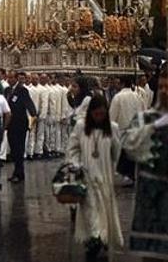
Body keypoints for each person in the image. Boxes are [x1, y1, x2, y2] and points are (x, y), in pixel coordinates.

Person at [67, 95, 123, 259]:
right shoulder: (80, 127)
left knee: (104, 211)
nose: (98, 117)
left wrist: (117, 171)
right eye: (96, 114)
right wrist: (75, 165)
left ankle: (102, 238)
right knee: (91, 211)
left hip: (105, 178)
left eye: (102, 114)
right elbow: (72, 149)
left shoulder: (112, 128)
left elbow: (117, 153)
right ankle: (95, 239)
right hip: (86, 177)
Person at [121, 69, 168, 259]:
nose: (164, 91)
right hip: (151, 201)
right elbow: (129, 145)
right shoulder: (145, 118)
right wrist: (155, 127)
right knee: (152, 254)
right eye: (162, 86)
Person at [4, 71, 36, 183]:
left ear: (17, 79)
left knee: (19, 149)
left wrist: (33, 117)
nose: (9, 79)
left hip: (20, 123)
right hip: (10, 124)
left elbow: (29, 105)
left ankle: (19, 173)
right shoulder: (7, 90)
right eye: (8, 77)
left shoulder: (22, 90)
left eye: (12, 77)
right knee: (13, 149)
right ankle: (17, 172)